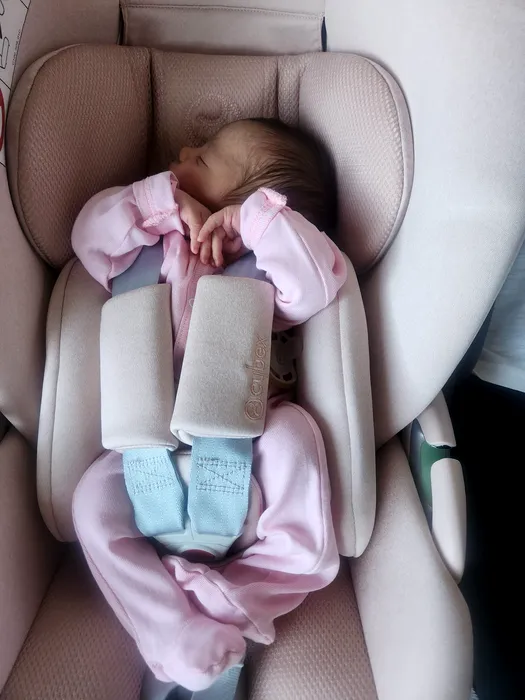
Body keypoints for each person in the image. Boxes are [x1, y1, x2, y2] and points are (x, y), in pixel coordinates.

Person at [71, 118, 346, 692]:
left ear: (251, 200)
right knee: (91, 503)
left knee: (296, 437)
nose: (185, 149)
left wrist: (257, 222)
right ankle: (169, 630)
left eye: (206, 157)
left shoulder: (270, 266)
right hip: (144, 456)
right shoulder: (143, 245)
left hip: (249, 452)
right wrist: (161, 205)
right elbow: (86, 235)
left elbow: (320, 280)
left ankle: (238, 598)